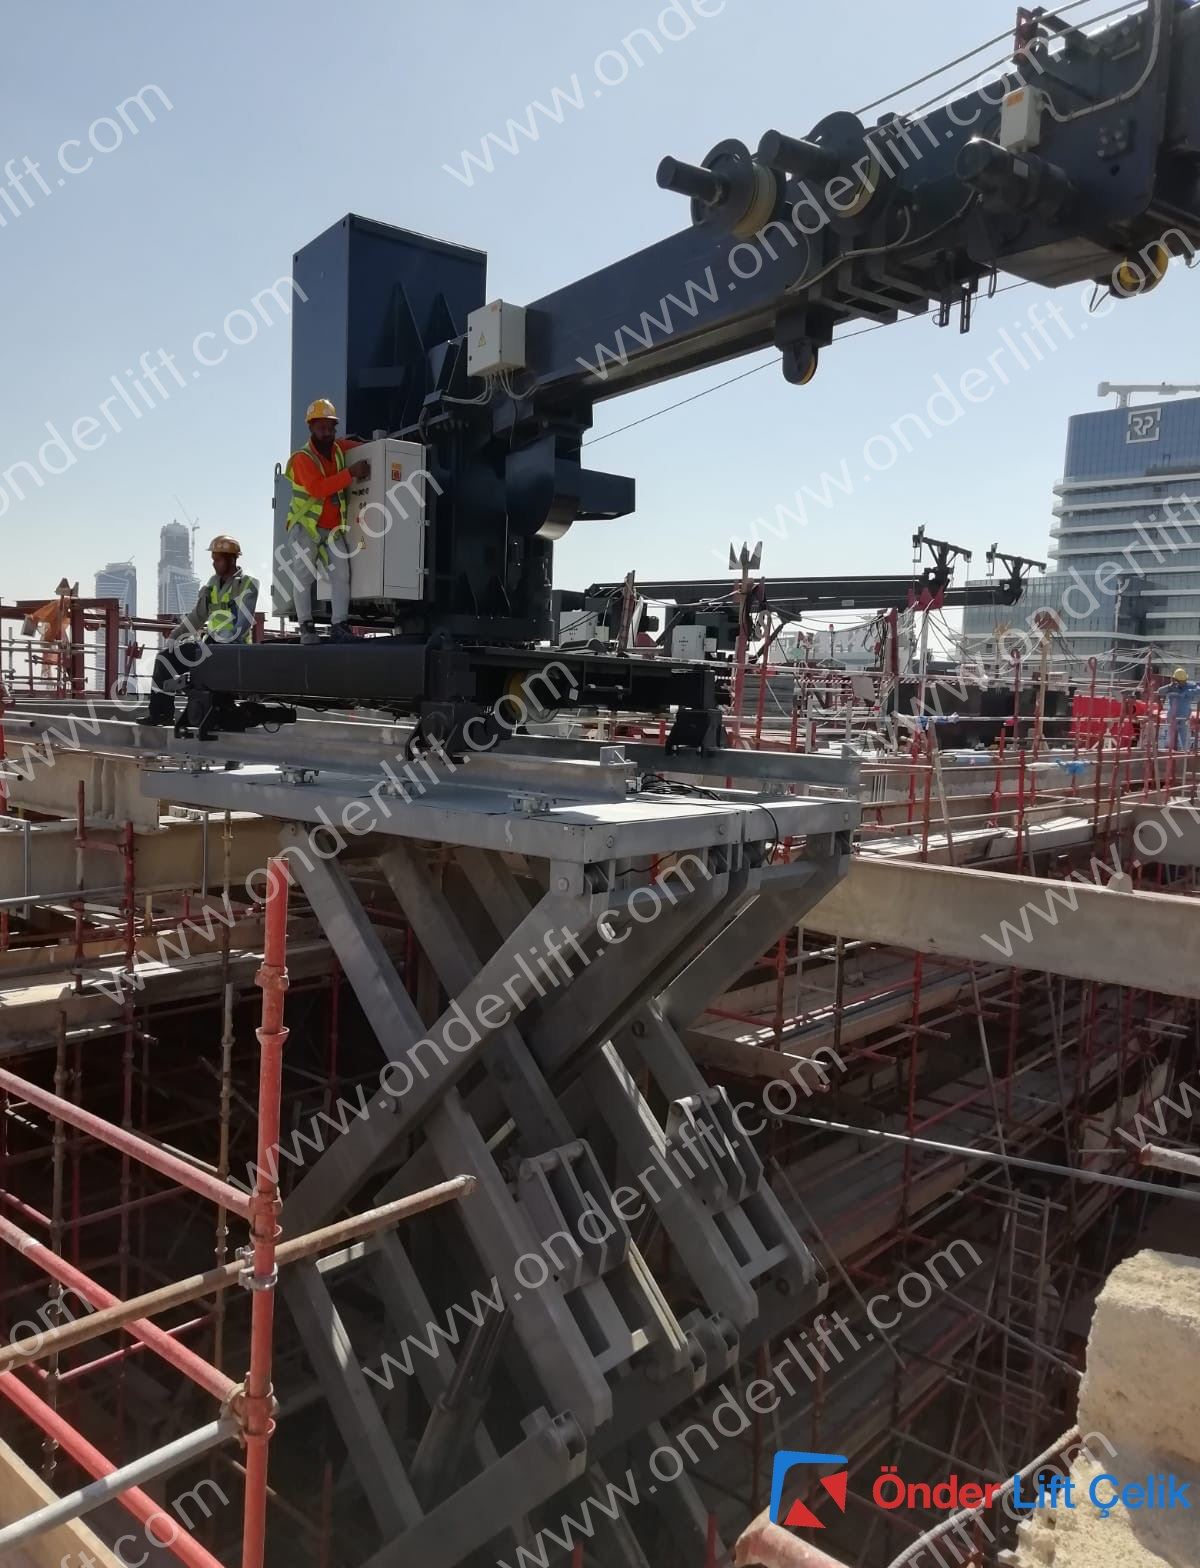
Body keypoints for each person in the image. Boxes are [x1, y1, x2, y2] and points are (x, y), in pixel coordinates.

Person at [139, 536, 259, 726]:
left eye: (218, 559)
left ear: (232, 559)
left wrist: (224, 642)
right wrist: (175, 635)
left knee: (203, 671)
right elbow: (197, 616)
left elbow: (243, 622)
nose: (214, 564)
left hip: (233, 649)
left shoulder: (247, 584)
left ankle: (207, 712)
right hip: (208, 646)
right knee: (164, 659)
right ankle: (161, 714)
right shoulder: (212, 583)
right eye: (213, 559)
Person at [283, 398, 369, 644]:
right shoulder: (302, 458)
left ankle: (339, 624)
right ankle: (306, 627)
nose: (327, 432)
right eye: (322, 427)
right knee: (304, 577)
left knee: (342, 573)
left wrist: (379, 444)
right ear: (311, 428)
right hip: (305, 528)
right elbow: (318, 489)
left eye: (331, 427)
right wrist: (351, 473)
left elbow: (362, 447)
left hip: (332, 529)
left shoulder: (339, 450)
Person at [1160, 666, 1200, 752]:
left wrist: (1187, 693)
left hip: (1184, 715)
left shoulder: (1189, 686)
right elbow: (1159, 691)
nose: (1183, 683)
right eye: (1181, 681)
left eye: (1184, 681)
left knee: (1184, 733)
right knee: (1170, 733)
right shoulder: (1171, 687)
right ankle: (1169, 749)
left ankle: (1186, 750)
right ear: (1176, 680)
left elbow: (1198, 690)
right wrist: (1168, 687)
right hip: (1172, 715)